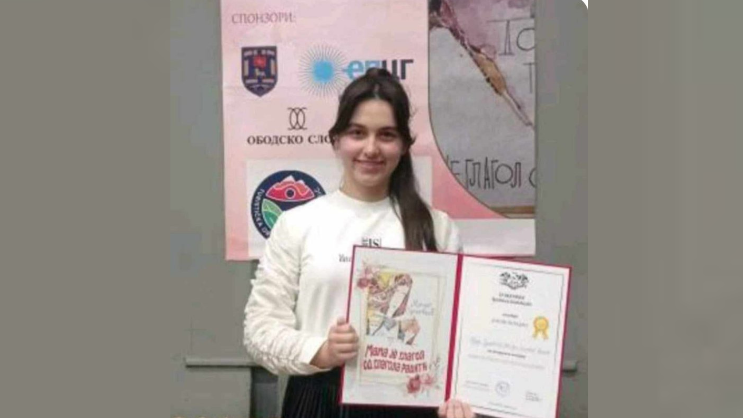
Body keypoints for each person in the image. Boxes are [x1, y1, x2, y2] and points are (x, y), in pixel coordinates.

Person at [243, 68, 475, 418]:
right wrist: (321, 350)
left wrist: (458, 398)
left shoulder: (436, 228)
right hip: (318, 399)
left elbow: (459, 336)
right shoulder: (298, 224)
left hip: (412, 402)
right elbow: (259, 330)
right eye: (357, 133)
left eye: (386, 135)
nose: (371, 148)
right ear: (336, 139)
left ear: (404, 145)